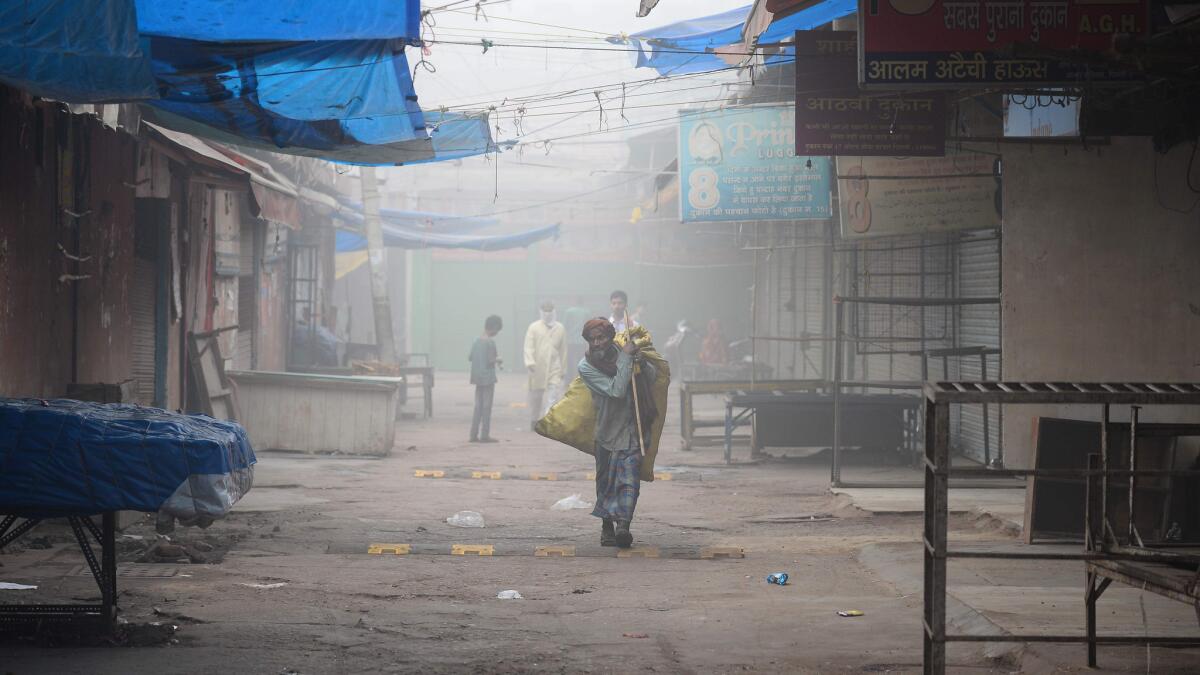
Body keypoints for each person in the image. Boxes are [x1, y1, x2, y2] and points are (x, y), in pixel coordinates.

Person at [578, 318, 657, 548]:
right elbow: (617, 390)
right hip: (607, 431)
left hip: (634, 427)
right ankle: (606, 526)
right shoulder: (586, 367)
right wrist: (626, 358)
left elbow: (651, 378)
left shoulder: (625, 351)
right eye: (592, 339)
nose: (597, 343)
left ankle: (624, 525)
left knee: (629, 478)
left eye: (601, 337)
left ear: (610, 336)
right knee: (606, 481)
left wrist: (640, 362)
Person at [523, 300, 567, 430]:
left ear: (554, 311)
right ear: (541, 312)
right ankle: (534, 420)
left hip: (555, 367)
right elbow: (528, 346)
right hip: (537, 368)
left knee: (553, 396)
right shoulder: (534, 327)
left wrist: (563, 369)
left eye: (550, 311)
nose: (547, 314)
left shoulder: (560, 328)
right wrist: (530, 362)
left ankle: (547, 423)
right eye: (545, 311)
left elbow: (563, 350)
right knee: (536, 397)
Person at [468, 315, 503, 443]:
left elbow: (470, 357)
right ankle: (484, 435)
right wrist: (498, 360)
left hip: (477, 377)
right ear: (493, 328)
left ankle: (473, 434)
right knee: (487, 406)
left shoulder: (476, 340)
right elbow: (490, 360)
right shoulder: (490, 342)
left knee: (478, 406)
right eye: (497, 330)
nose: (496, 333)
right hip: (487, 378)